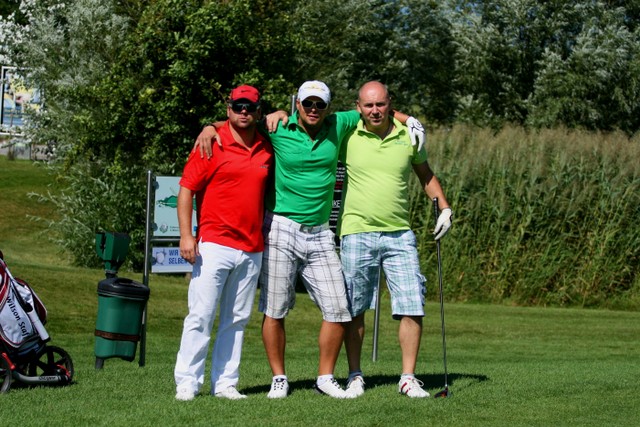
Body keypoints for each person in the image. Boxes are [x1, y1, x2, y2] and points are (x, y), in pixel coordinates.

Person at [194, 80, 426, 399]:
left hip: (319, 232)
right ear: (298, 105)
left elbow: (375, 109)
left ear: (328, 108)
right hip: (281, 227)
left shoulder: (339, 123)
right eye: (308, 103)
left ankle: (325, 377)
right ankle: (279, 378)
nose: (313, 109)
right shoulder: (277, 126)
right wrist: (211, 127)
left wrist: (407, 119)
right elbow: (241, 119)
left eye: (320, 104)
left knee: (339, 308)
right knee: (275, 308)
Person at [339, 81, 452, 398]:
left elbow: (425, 175)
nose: (375, 110)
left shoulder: (409, 136)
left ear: (390, 103)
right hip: (356, 230)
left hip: (399, 232)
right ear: (358, 107)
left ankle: (408, 378)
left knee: (412, 304)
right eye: (368, 105)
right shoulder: (347, 133)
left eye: (381, 104)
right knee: (354, 307)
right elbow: (318, 118)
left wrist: (444, 207)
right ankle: (355, 375)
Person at [174, 85, 274, 401]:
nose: (244, 111)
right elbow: (186, 190)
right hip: (214, 243)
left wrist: (283, 112)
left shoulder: (266, 146)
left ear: (258, 111)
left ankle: (225, 383)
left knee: (236, 320)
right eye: (238, 106)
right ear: (229, 109)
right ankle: (188, 382)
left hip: (252, 247)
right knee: (200, 315)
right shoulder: (211, 143)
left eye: (250, 107)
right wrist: (187, 235)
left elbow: (285, 119)